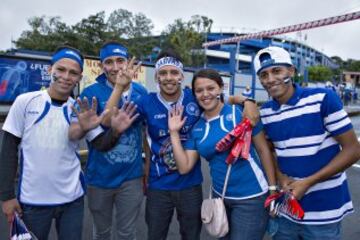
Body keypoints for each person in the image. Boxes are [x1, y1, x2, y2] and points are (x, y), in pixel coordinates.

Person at [103, 49, 260, 240]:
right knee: (155, 235)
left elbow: (230, 98)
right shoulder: (146, 102)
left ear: (181, 76)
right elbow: (107, 120)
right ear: (157, 77)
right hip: (159, 185)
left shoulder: (195, 97)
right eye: (163, 73)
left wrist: (248, 101)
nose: (168, 78)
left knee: (191, 235)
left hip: (190, 185)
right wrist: (119, 87)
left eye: (174, 72)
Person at [0, 45, 137, 240]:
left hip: (72, 200)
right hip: (32, 201)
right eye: (61, 70)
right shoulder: (26, 101)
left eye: (73, 73)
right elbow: (8, 150)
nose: (66, 76)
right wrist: (6, 196)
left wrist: (115, 131)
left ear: (79, 78)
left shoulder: (79, 108)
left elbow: (101, 144)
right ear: (50, 70)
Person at [254, 46, 360, 240]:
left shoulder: (322, 99)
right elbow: (269, 152)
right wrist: (280, 176)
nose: (270, 79)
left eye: (276, 71)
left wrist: (308, 182)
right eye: (263, 75)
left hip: (325, 211)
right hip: (286, 209)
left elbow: (353, 150)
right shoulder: (265, 112)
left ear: (291, 71)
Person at [168, 68, 276, 240]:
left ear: (220, 89)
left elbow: (263, 150)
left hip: (251, 198)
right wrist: (173, 132)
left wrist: (272, 189)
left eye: (210, 88)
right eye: (199, 90)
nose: (205, 94)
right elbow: (184, 167)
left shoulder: (239, 113)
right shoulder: (197, 127)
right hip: (220, 199)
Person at [68, 41, 148, 240]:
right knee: (101, 233)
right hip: (100, 177)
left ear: (128, 62)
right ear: (102, 65)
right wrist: (119, 88)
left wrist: (147, 165)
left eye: (120, 61)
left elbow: (145, 131)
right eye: (109, 62)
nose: (115, 67)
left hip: (131, 177)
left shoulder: (141, 92)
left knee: (127, 232)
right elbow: (103, 124)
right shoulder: (90, 93)